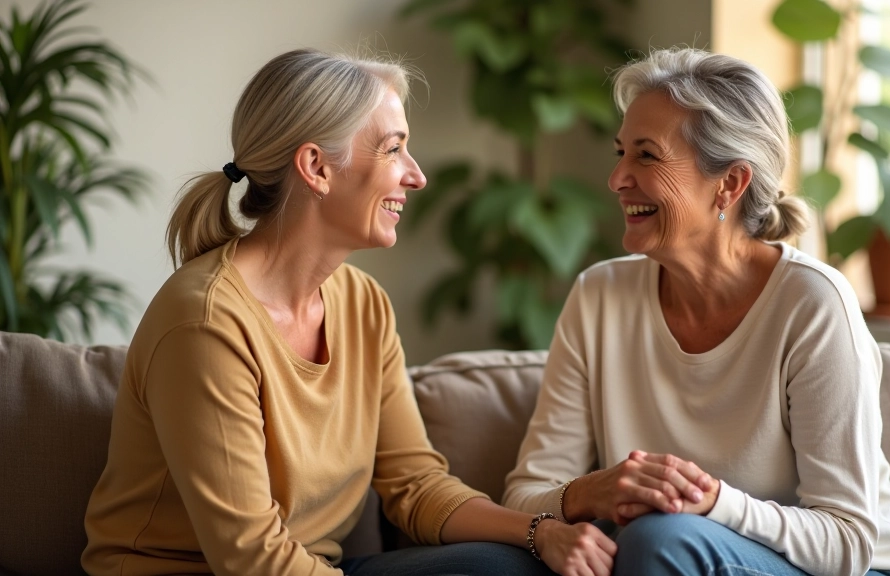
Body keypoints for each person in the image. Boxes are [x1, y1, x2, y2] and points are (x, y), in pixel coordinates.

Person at [81, 49, 617, 576]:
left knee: (505, 567)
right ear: (316, 167)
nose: (416, 176)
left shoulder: (363, 304)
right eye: (393, 149)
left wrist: (539, 530)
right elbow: (250, 557)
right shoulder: (205, 323)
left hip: (314, 567)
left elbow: (416, 486)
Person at [502, 47, 890, 576]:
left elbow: (846, 541)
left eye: (646, 156)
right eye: (620, 153)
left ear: (729, 183)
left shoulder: (813, 303)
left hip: (858, 572)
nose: (616, 179)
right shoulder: (599, 296)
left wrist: (713, 504)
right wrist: (590, 493)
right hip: (670, 557)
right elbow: (523, 496)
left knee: (663, 539)